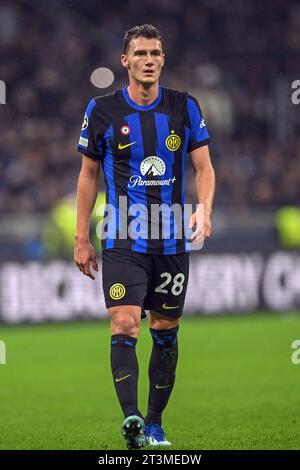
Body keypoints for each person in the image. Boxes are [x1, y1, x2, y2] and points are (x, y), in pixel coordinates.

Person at [74, 24, 215, 449]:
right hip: (121, 237)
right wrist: (81, 237)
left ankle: (155, 423)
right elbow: (88, 175)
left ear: (163, 59)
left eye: (155, 53)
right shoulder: (101, 110)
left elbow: (204, 168)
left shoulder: (183, 106)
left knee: (166, 328)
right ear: (125, 61)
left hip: (172, 240)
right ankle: (132, 419)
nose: (149, 60)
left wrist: (204, 210)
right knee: (124, 321)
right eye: (140, 53)